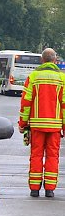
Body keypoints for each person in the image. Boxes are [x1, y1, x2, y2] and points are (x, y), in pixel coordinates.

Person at [19, 47, 65, 198]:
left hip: (37, 125)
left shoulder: (33, 77)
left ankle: (34, 189)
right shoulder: (62, 78)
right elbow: (64, 105)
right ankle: (50, 190)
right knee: (53, 156)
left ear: (42, 60)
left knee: (36, 155)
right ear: (55, 60)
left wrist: (23, 123)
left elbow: (26, 102)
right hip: (55, 126)